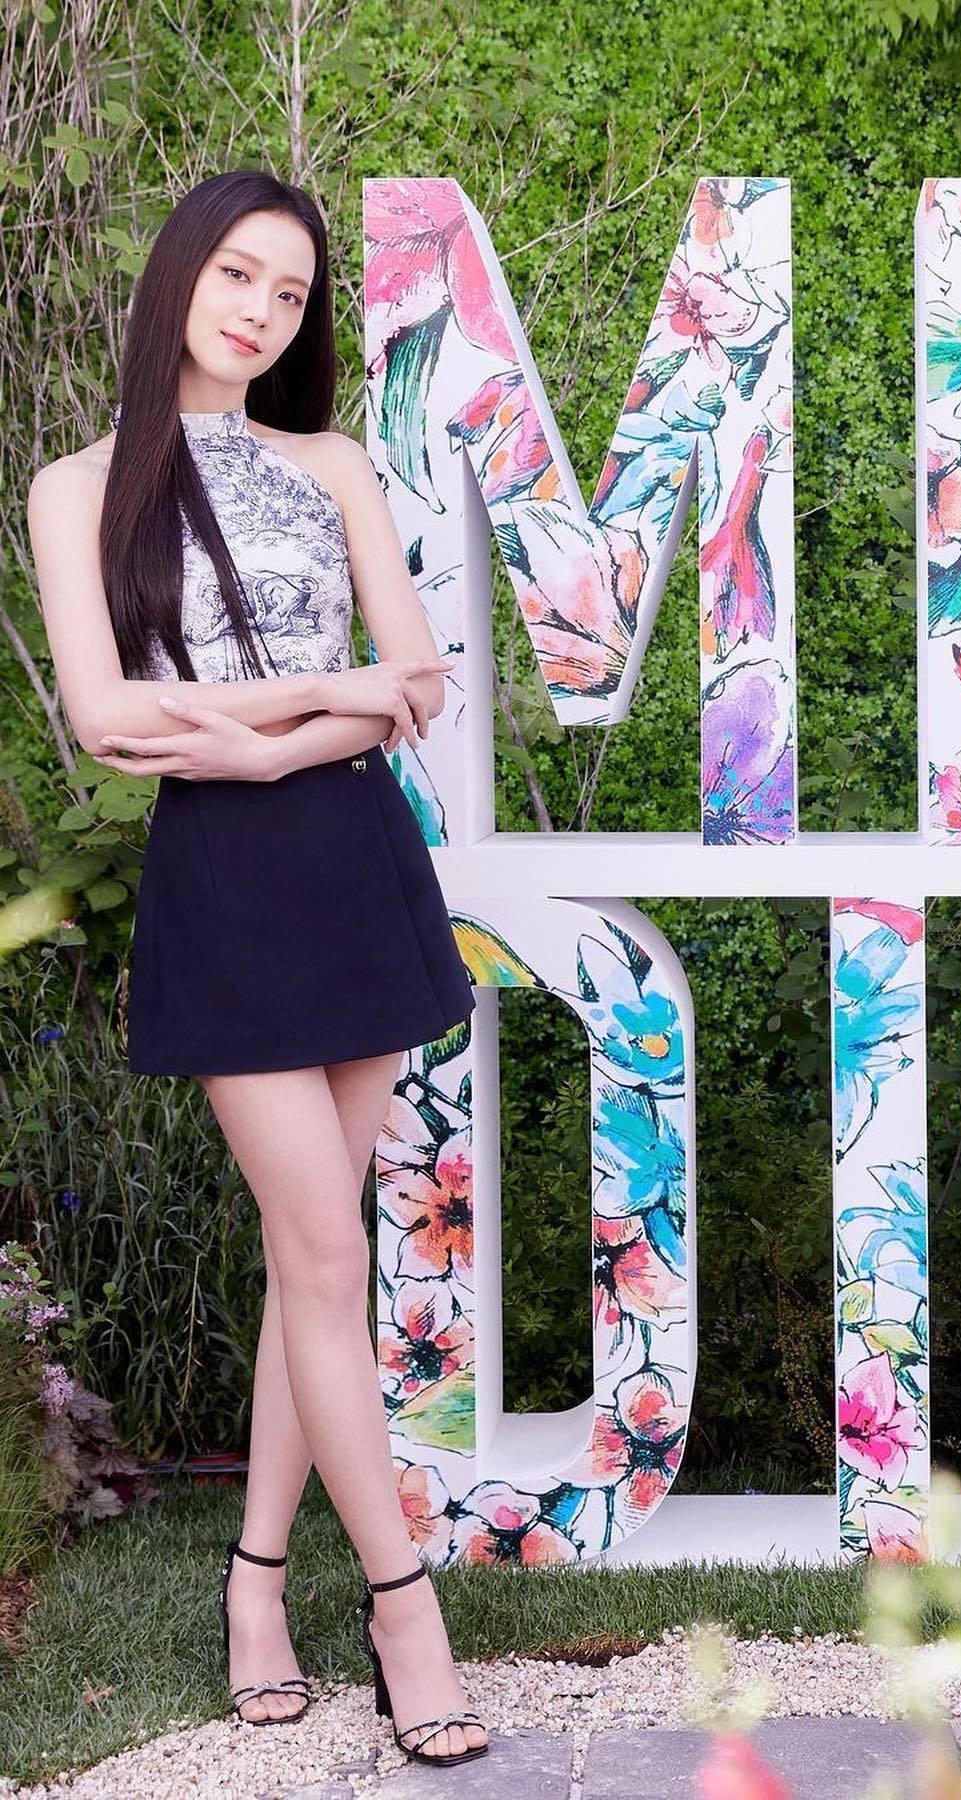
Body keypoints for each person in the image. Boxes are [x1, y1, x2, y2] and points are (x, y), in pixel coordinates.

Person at [25, 167, 490, 1769]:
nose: (260, 312)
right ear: (180, 275)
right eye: (237, 274)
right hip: (224, 886)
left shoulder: (330, 462)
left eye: (289, 294)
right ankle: (403, 1608)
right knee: (320, 1246)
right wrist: (318, 704)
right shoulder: (77, 487)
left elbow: (416, 678)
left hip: (356, 864)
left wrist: (257, 736)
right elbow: (106, 716)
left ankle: (256, 1583)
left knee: (317, 1261)